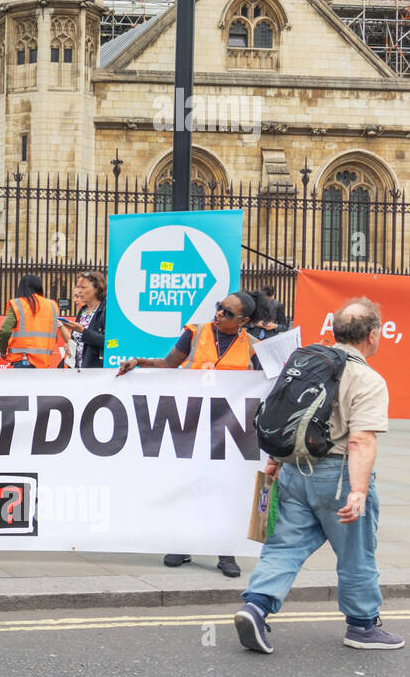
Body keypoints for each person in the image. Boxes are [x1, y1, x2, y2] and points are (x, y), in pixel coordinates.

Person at [234, 298, 402, 652]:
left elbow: (284, 413)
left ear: (335, 330)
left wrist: (275, 462)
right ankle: (362, 626)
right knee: (357, 553)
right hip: (337, 478)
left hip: (294, 471)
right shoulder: (367, 378)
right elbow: (360, 440)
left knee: (284, 547)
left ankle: (256, 607)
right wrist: (357, 491)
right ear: (372, 336)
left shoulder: (308, 362)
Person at [117, 289, 260, 578]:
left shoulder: (253, 347)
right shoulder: (195, 332)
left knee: (224, 489)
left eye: (228, 313)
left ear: (243, 321)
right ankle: (183, 544)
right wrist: (139, 363)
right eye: (220, 307)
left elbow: (263, 383)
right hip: (192, 422)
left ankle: (226, 549)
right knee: (189, 484)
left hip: (229, 431)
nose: (219, 314)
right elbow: (170, 364)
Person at [0, 274, 66, 368]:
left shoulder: (18, 304)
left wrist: (2, 350)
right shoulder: (52, 305)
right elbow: (53, 334)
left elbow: (5, 331)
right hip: (44, 361)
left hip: (23, 359)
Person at [60, 271, 107, 369]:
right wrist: (71, 347)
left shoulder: (106, 310)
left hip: (95, 371)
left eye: (83, 287)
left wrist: (83, 331)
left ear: (97, 289)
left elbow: (112, 342)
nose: (78, 291)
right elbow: (78, 341)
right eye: (77, 287)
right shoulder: (83, 311)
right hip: (77, 370)